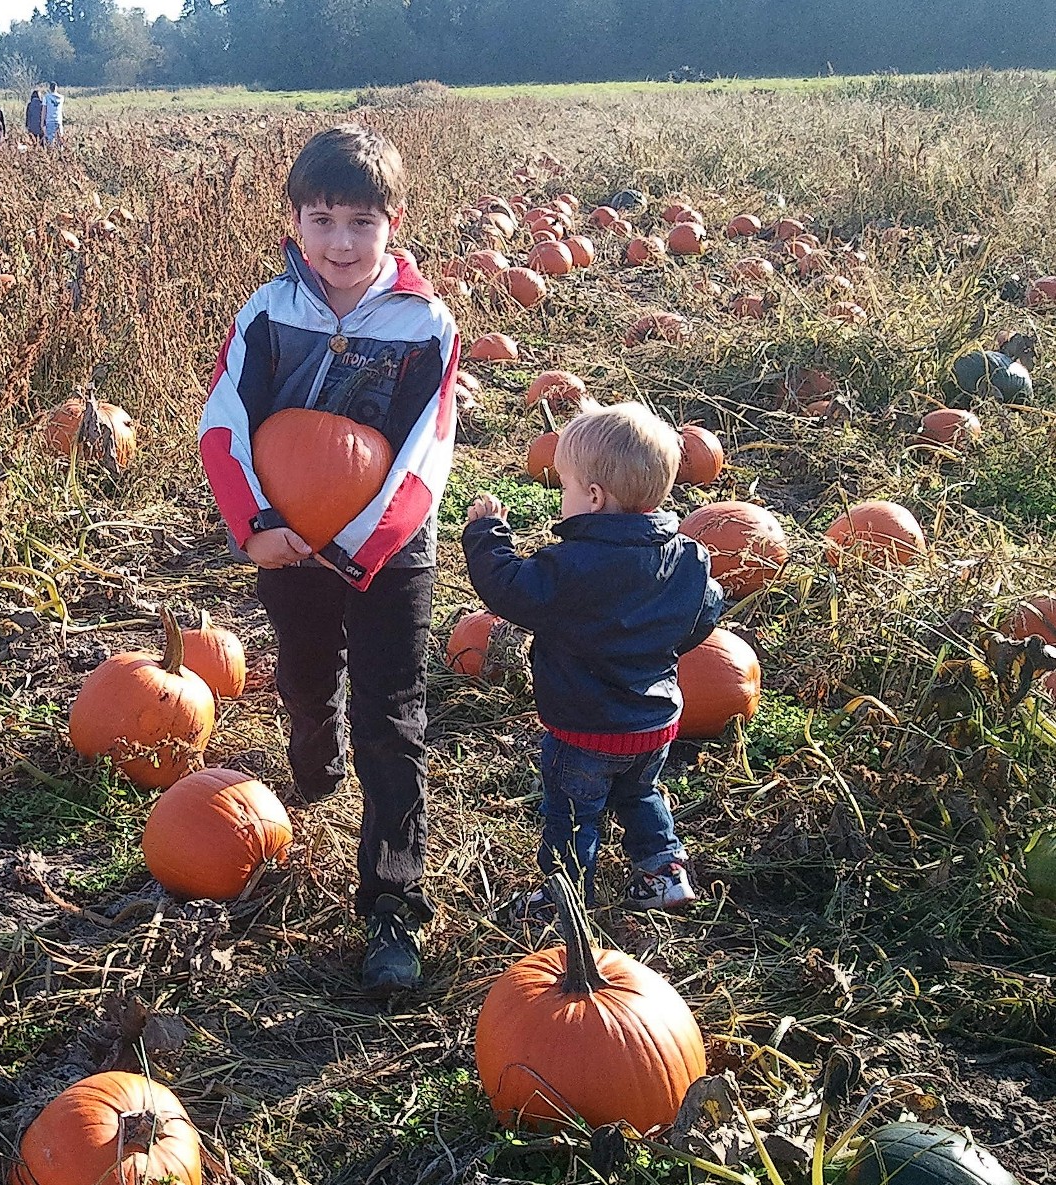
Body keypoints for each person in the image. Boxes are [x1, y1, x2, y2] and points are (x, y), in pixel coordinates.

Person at [198, 125, 460, 996]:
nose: (341, 243)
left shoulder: (424, 324)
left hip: (388, 545)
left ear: (394, 222)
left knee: (394, 712)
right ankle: (314, 741)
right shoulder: (267, 313)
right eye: (323, 220)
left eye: (360, 222)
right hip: (284, 537)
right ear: (295, 223)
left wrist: (359, 547)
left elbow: (426, 451)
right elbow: (223, 424)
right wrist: (257, 525)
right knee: (307, 672)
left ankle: (393, 904)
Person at [460, 403, 725, 917]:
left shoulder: (570, 566)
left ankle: (564, 899)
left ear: (595, 497)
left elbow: (510, 589)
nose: (563, 499)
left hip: (585, 730)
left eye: (566, 487)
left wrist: (487, 534)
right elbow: (705, 613)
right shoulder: (690, 558)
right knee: (640, 795)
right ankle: (665, 873)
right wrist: (659, 646)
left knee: (572, 816)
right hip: (654, 724)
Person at [41, 81, 64, 145]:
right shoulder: (61, 98)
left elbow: (44, 111)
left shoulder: (46, 97)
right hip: (59, 120)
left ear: (50, 88)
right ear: (56, 88)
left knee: (50, 141)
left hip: (50, 121)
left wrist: (42, 122)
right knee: (60, 140)